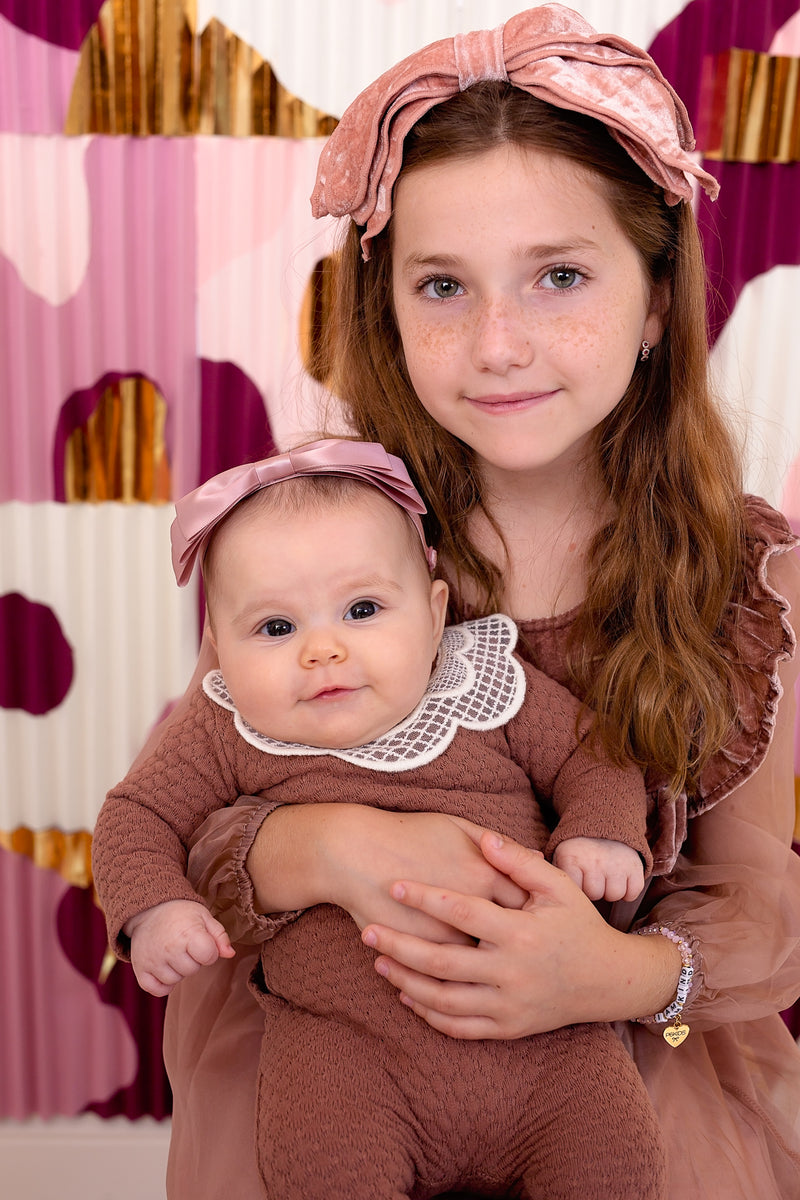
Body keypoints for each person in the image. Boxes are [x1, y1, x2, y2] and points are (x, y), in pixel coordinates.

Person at [133, 6, 800, 1199]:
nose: (497, 344)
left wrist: (603, 976)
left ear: (655, 302)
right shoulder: (326, 536)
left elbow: (757, 904)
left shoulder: (738, 578)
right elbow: (184, 805)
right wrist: (320, 845)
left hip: (609, 1061)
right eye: (442, 285)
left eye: (558, 276)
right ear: (386, 307)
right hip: (341, 1050)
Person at [93, 437, 667, 1198]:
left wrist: (599, 830)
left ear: (434, 616)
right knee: (324, 1162)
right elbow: (136, 815)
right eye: (275, 628)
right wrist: (156, 907)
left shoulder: (486, 687)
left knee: (615, 1156)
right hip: (348, 1051)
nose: (323, 651)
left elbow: (595, 755)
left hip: (551, 1041)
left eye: (362, 610)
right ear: (219, 648)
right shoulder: (226, 729)